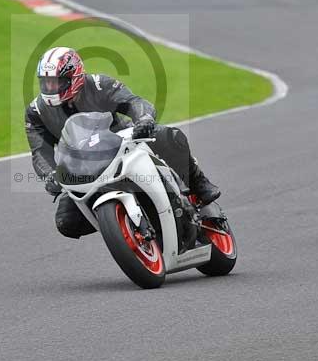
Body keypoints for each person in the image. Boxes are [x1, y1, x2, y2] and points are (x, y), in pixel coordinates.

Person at [25, 46, 221, 239]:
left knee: (169, 136)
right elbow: (39, 151)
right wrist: (49, 175)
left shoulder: (99, 84)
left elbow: (133, 101)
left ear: (75, 77)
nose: (51, 88)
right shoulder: (36, 112)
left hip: (121, 143)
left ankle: (197, 182)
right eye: (46, 82)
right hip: (84, 166)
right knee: (66, 222)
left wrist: (144, 119)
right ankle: (119, 225)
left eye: (57, 82)